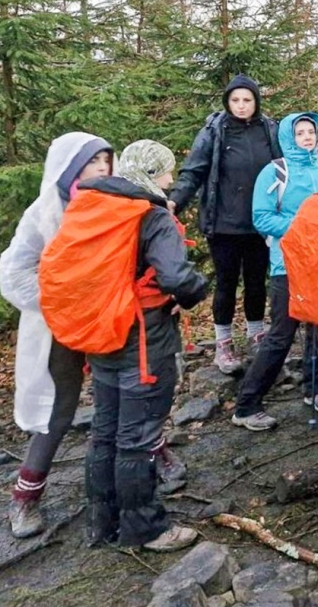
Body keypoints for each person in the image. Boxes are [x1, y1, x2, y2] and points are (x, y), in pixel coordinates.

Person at [83, 140, 208, 551]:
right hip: (144, 337)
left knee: (105, 429)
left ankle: (103, 521)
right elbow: (176, 276)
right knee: (137, 435)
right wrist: (196, 289)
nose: (171, 180)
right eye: (166, 171)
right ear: (150, 174)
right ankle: (145, 528)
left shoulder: (94, 207)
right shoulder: (151, 216)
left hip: (102, 331)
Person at [0, 134, 114, 537]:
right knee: (59, 408)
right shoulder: (43, 214)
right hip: (59, 327)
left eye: (106, 159)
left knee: (123, 394)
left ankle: (153, 460)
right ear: (70, 168)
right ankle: (25, 497)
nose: (102, 167)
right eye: (93, 161)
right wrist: (61, 301)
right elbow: (13, 272)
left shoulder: (114, 204)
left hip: (109, 319)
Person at [169, 75, 280, 374]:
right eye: (235, 100)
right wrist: (175, 202)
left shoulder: (269, 129)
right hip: (224, 224)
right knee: (226, 283)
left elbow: (286, 168)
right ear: (227, 102)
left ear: (256, 102)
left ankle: (256, 334)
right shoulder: (214, 131)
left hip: (260, 222)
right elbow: (193, 171)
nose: (241, 106)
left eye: (247, 100)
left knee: (257, 282)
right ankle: (223, 343)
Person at [231, 113, 318, 431]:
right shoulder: (275, 171)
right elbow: (261, 217)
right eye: (300, 133)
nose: (307, 137)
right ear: (288, 137)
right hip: (287, 264)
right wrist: (304, 226)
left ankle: (315, 390)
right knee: (281, 334)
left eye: (310, 131)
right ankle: (246, 405)